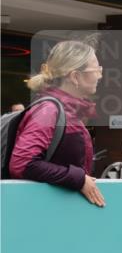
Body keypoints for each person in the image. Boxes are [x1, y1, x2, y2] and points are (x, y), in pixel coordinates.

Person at [9, 40, 105, 207]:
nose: (100, 75)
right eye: (96, 69)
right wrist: (78, 178)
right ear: (75, 76)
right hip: (44, 213)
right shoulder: (49, 111)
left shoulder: (66, 111)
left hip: (55, 211)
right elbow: (21, 164)